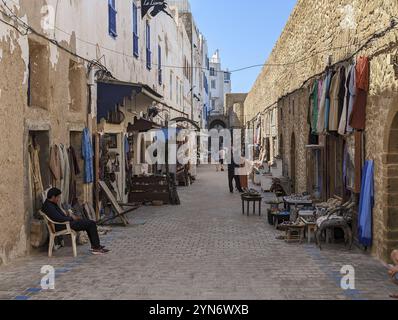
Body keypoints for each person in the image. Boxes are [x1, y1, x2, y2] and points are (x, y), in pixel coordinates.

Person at [42, 188, 110, 255]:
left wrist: (70, 216)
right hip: (64, 225)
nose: (59, 199)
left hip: (66, 223)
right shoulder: (49, 206)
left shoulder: (51, 203)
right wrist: (71, 218)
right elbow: (59, 218)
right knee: (91, 224)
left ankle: (95, 246)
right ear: (53, 197)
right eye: (58, 197)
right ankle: (96, 247)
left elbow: (60, 216)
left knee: (89, 223)